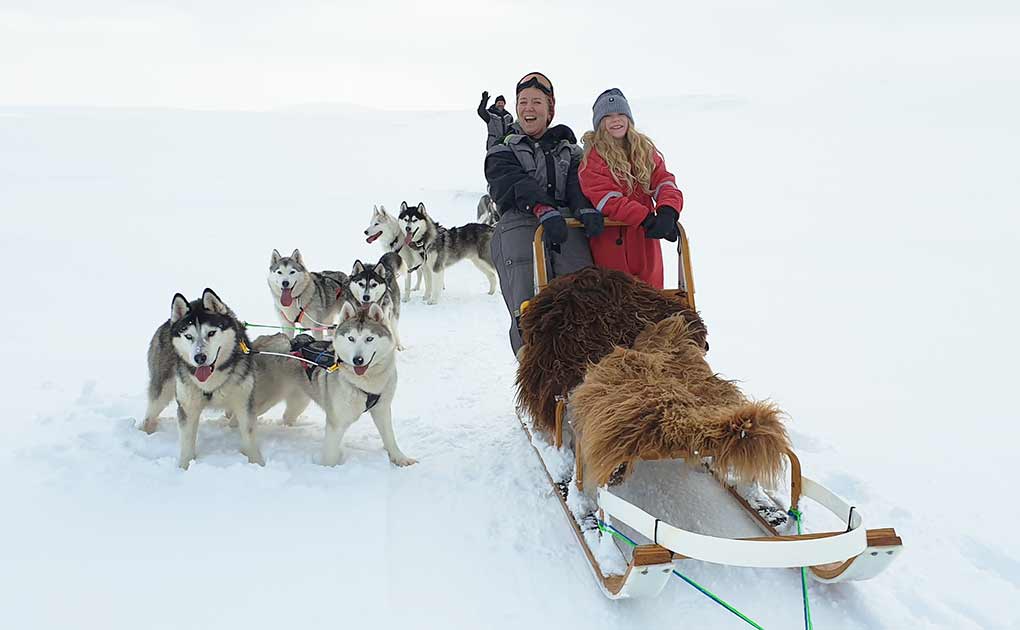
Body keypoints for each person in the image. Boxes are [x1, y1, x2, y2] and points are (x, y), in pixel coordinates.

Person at [485, 72, 605, 354]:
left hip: (565, 229)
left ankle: (582, 384)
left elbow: (578, 182)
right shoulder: (503, 147)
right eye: (523, 101)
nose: (529, 108)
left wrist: (583, 208)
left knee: (583, 301)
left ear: (550, 109)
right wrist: (542, 207)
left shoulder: (570, 149)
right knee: (530, 313)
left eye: (537, 102)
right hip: (521, 229)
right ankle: (539, 385)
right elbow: (510, 181)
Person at [578, 88, 683, 290]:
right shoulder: (592, 158)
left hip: (645, 242)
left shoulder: (645, 150)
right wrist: (645, 218)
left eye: (620, 114)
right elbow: (606, 198)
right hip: (612, 241)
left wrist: (668, 210)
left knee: (651, 300)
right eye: (607, 116)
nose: (615, 120)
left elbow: (664, 181)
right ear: (599, 123)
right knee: (616, 304)